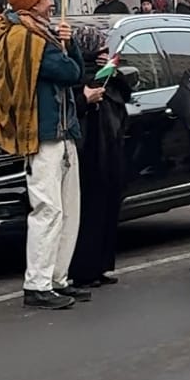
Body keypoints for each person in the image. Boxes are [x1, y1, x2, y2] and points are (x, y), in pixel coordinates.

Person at [0, 0, 88, 309]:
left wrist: (69, 46)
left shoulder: (39, 34)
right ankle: (38, 283)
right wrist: (69, 49)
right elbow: (71, 73)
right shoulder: (27, 39)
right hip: (42, 136)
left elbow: (74, 73)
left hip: (60, 132)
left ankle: (57, 278)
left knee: (68, 209)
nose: (52, 2)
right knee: (48, 210)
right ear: (30, 4)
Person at [68, 45, 133, 290]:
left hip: (110, 149)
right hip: (89, 151)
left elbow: (125, 94)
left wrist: (113, 72)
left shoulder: (108, 75)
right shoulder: (76, 76)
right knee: (89, 213)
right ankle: (84, 269)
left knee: (108, 209)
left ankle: (101, 265)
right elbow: (75, 106)